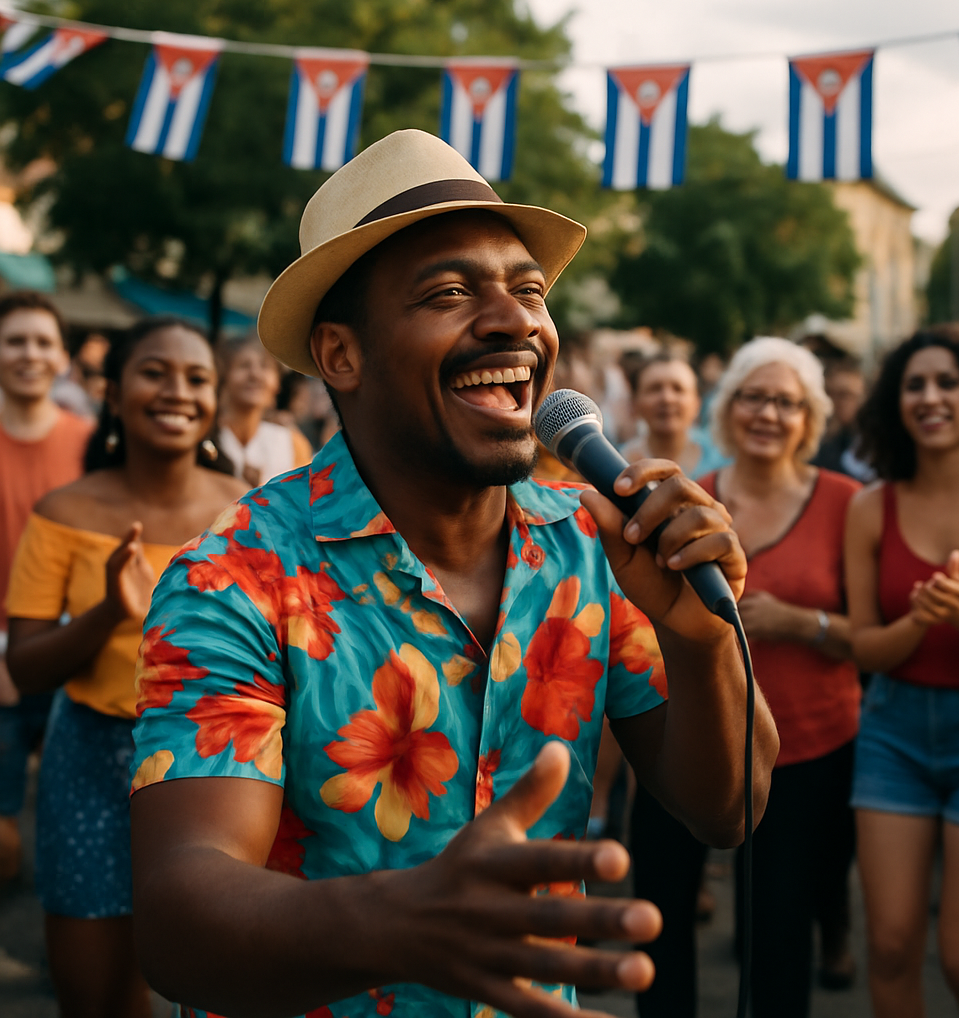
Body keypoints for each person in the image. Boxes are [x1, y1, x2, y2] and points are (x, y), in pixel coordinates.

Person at [127, 128, 779, 1018]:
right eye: (447, 293)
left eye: (529, 291)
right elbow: (178, 921)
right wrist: (398, 922)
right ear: (341, 356)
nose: (515, 320)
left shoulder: (596, 545)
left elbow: (727, 809)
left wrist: (700, 641)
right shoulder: (233, 578)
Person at [5, 316, 245, 1018]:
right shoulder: (63, 511)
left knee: (213, 985)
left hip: (218, 763)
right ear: (112, 393)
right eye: (153, 372)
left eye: (197, 378)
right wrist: (109, 610)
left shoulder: (249, 513)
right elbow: (26, 667)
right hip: (90, 755)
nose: (177, 391)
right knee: (96, 993)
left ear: (214, 400)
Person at [845, 324, 959, 1018]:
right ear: (895, 403)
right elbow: (864, 649)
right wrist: (919, 621)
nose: (930, 397)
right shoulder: (871, 507)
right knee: (888, 950)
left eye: (948, 382)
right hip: (894, 734)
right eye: (914, 385)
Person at [695, 336, 861, 1018]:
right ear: (729, 408)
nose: (767, 413)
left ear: (809, 419)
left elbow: (881, 640)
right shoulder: (691, 498)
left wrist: (804, 624)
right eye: (753, 397)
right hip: (715, 745)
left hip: (813, 747)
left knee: (783, 924)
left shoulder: (849, 503)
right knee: (735, 920)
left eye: (786, 402)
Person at [0, 291, 93, 885]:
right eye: (14, 341)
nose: (29, 354)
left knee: (79, 822)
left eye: (42, 341)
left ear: (62, 356)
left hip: (82, 644)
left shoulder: (92, 440)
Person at [216, 334, 313, 486]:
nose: (255, 374)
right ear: (223, 377)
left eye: (264, 366)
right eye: (243, 365)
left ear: (277, 384)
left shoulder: (291, 443)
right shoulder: (206, 437)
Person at [621, 351, 729, 480]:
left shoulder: (723, 461)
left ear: (697, 403)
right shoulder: (617, 462)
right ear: (634, 402)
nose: (667, 398)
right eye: (654, 389)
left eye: (678, 389)